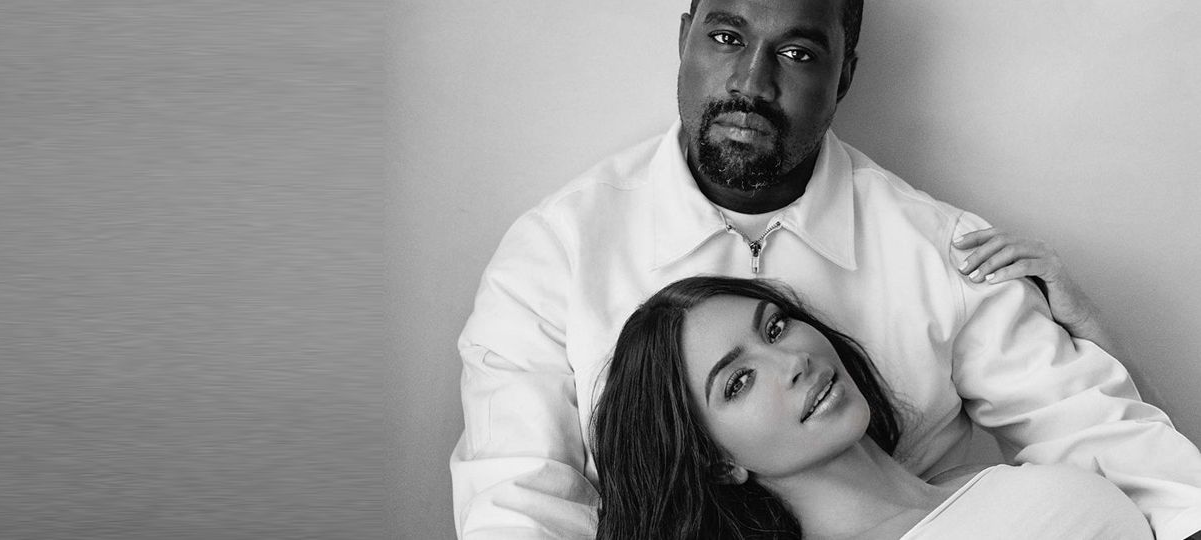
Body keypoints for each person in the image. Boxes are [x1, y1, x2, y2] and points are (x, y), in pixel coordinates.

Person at [451, 0, 1201, 538]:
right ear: (684, 39)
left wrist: (1101, 348)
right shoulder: (555, 252)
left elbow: (1124, 458)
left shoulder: (945, 250)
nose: (750, 82)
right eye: (725, 36)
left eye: (799, 53)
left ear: (845, 75)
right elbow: (517, 506)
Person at [592, 275, 1151, 539]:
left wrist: (1090, 334)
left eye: (776, 327)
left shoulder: (995, 483)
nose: (792, 360)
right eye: (738, 381)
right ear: (718, 461)